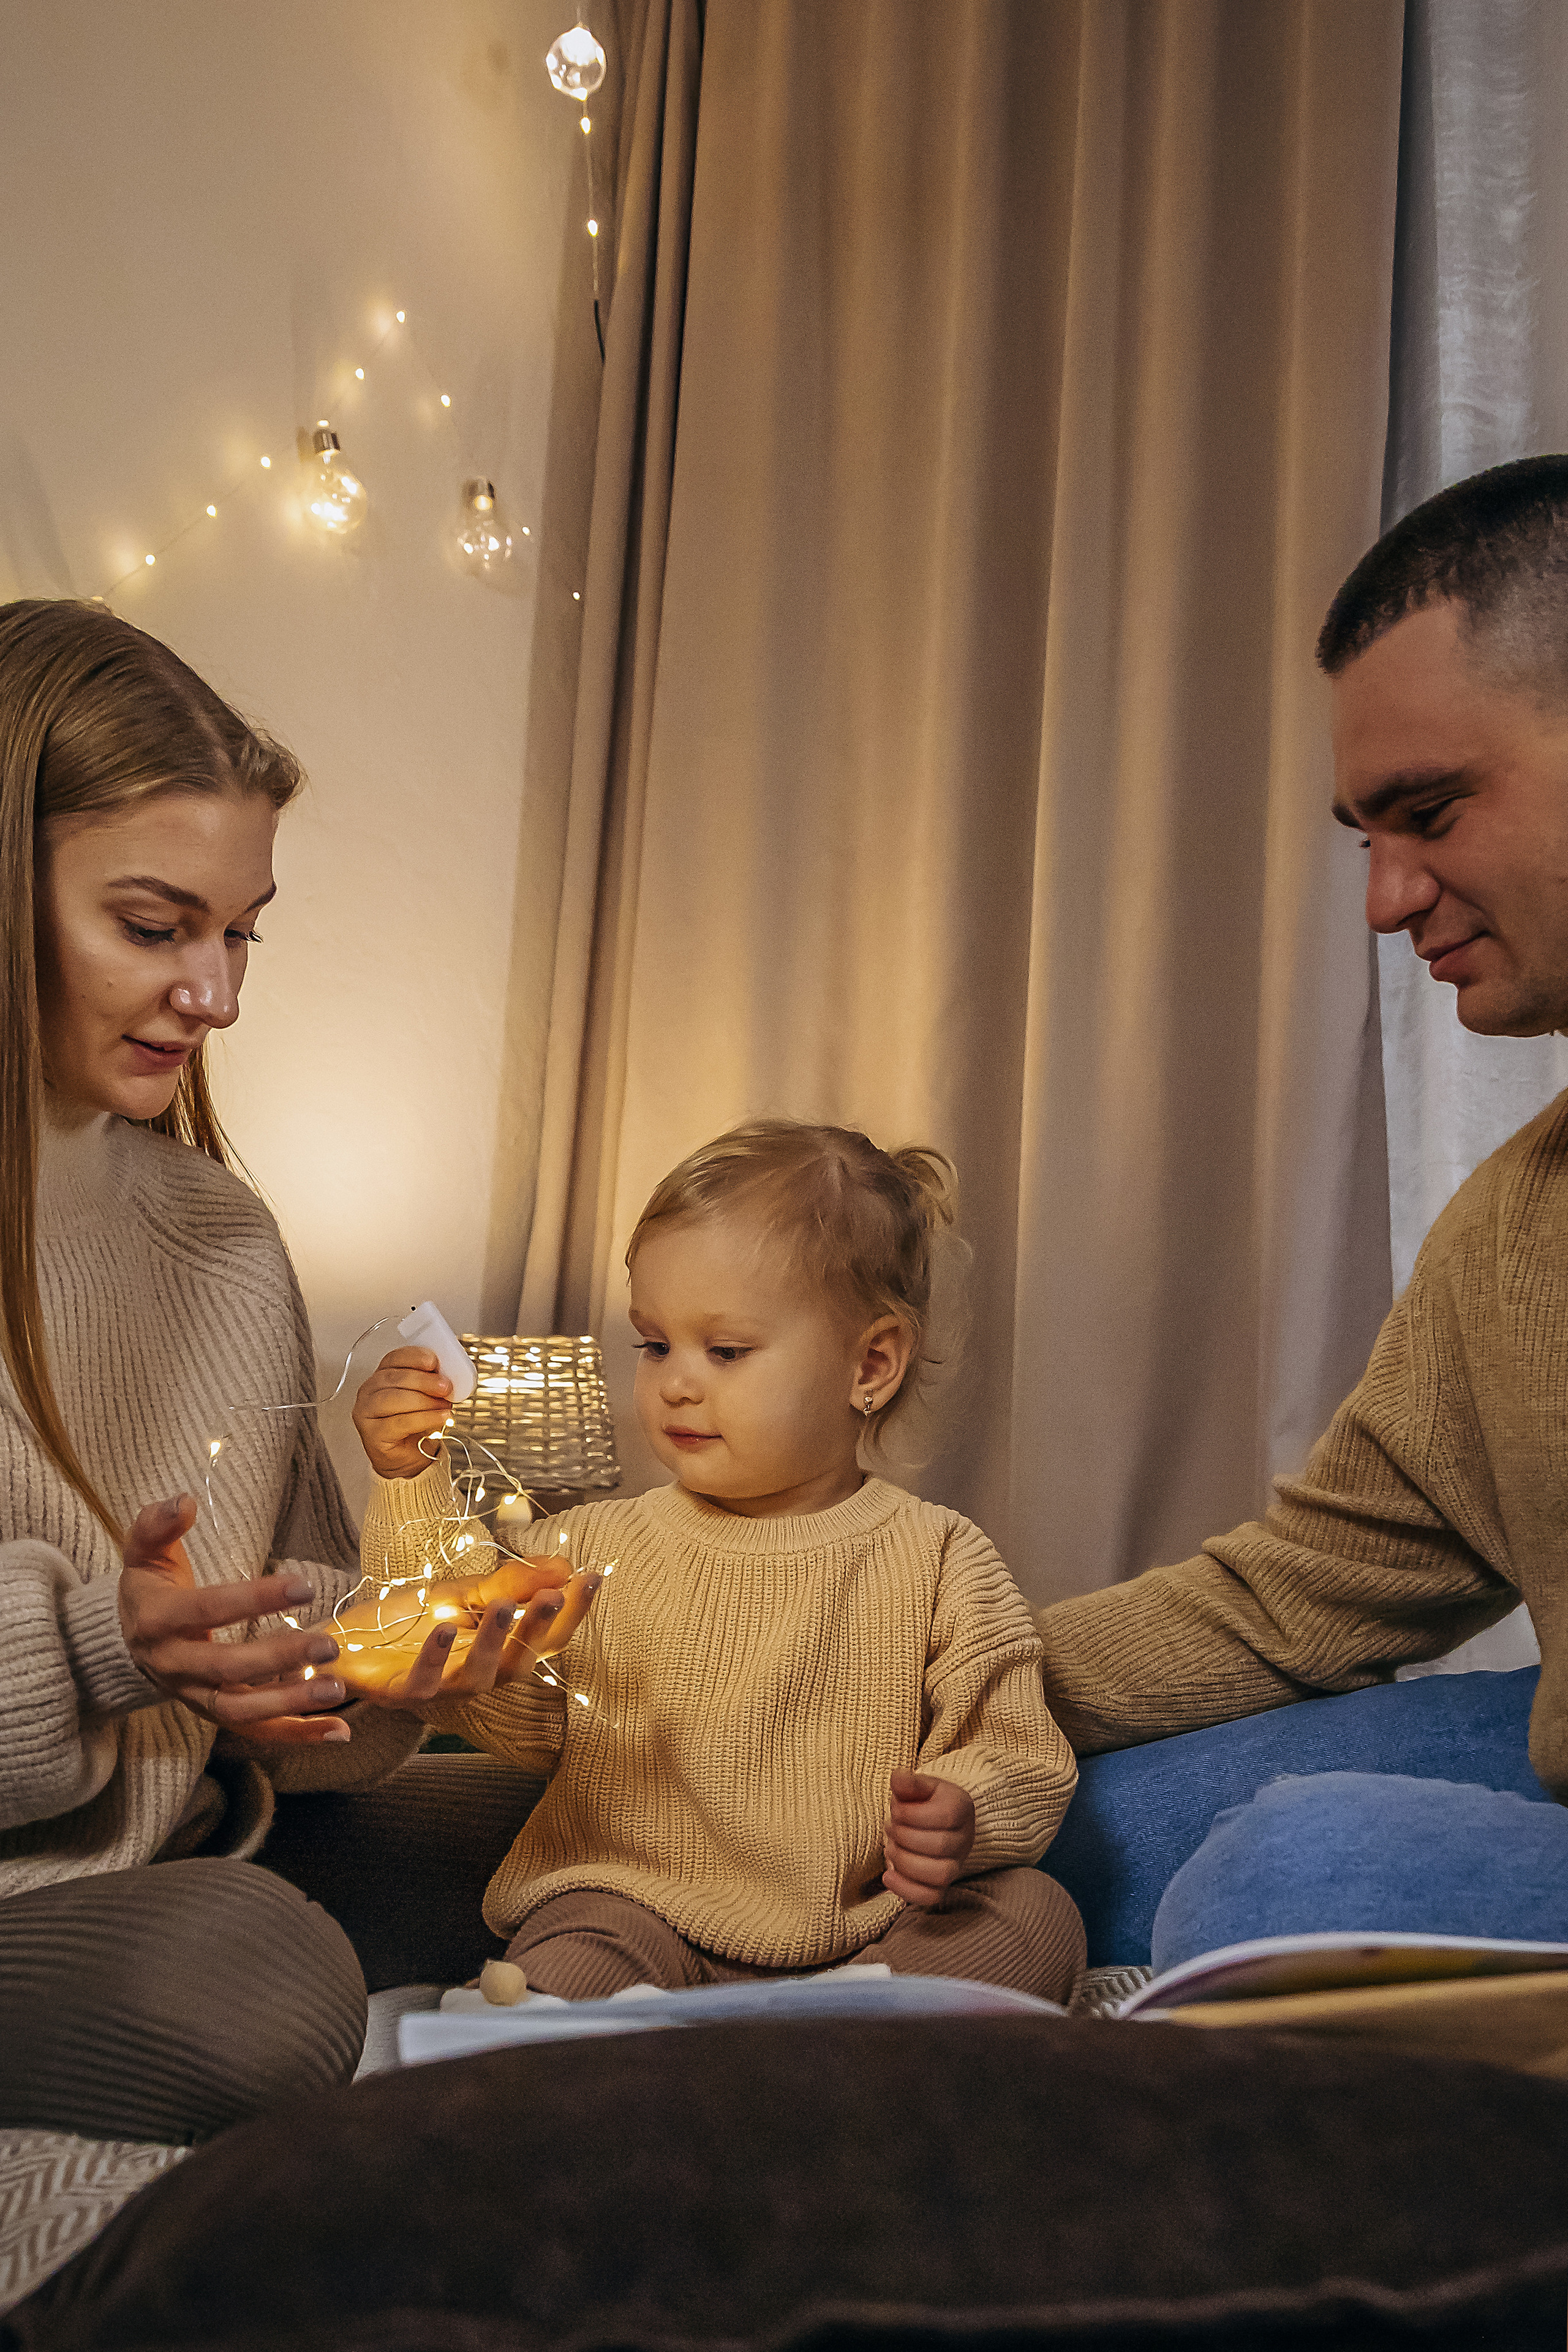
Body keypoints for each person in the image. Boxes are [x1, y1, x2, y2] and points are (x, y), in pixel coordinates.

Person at [0, 599, 563, 2151]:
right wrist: (103, 1646)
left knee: (648, 1828)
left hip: (196, 1835)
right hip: (66, 1894)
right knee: (255, 1974)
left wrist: (363, 1664)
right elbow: (129, 1653)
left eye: (240, 929)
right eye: (155, 925)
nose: (220, 996)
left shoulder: (221, 1233)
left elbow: (284, 1612)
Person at [1036, 454, 1568, 1813]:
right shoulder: (1511, 1230)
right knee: (1055, 1813)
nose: (1385, 900)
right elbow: (1294, 1599)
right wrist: (894, 1674)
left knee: (1304, 1863)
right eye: (1364, 840)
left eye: (1432, 813)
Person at [350, 1120, 1085, 2002]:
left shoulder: (940, 1557)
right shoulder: (590, 1549)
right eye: (654, 1344)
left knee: (1036, 1914)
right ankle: (561, 2052)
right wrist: (411, 1481)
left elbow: (1020, 1752)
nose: (677, 1383)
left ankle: (825, 2051)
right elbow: (462, 1646)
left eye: (725, 1351)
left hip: (868, 1932)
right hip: (632, 1910)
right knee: (575, 1940)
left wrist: (965, 1814)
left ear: (873, 1364)